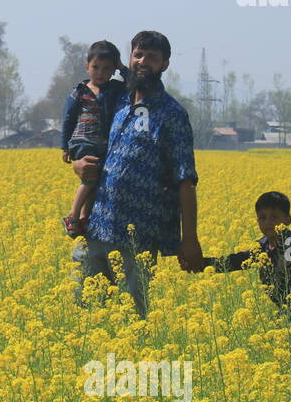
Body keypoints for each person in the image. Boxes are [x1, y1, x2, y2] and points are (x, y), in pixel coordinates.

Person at [70, 30, 202, 318]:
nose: (143, 62)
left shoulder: (171, 114)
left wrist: (190, 239)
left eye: (152, 57)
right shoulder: (115, 100)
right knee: (84, 314)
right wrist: (76, 163)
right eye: (138, 55)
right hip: (97, 227)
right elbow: (88, 141)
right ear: (129, 59)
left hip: (138, 237)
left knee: (132, 318)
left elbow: (185, 180)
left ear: (165, 64)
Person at [197, 191, 291, 323]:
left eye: (274, 217)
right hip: (286, 310)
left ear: (288, 220)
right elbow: (235, 261)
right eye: (262, 218)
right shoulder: (262, 246)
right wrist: (201, 264)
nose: (268, 223)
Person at [60, 41, 128, 238]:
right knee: (89, 179)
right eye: (95, 67)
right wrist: (65, 147)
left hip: (103, 144)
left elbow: (133, 83)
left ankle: (84, 218)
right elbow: (67, 119)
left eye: (107, 68)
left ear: (114, 69)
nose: (100, 72)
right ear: (86, 66)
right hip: (83, 141)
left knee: (95, 180)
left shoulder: (115, 89)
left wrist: (122, 67)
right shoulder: (79, 91)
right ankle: (73, 216)